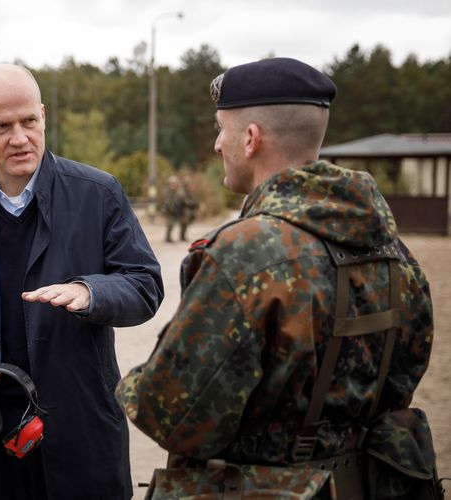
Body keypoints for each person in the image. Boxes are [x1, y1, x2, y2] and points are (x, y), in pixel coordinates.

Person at [117, 58, 438, 498]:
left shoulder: (246, 254)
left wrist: (134, 382)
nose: (216, 144)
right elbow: (402, 382)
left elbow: (174, 416)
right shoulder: (395, 254)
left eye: (221, 130)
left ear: (250, 139)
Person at [0, 64, 164, 499]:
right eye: (2, 126)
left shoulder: (98, 192)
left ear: (43, 116)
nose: (19, 138)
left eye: (29, 121)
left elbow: (145, 285)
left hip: (78, 435)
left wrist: (91, 291)